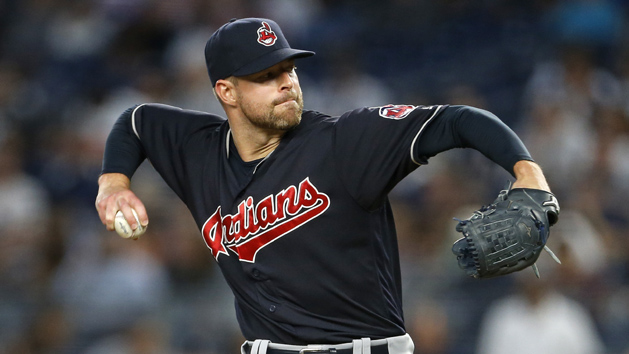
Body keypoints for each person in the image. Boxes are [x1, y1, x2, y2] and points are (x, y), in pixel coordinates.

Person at [95, 18, 554, 354]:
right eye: (265, 76)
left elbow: (459, 120)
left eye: (288, 69)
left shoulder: (344, 141)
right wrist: (113, 183)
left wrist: (527, 173)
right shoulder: (198, 151)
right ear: (226, 92)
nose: (286, 84)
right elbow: (135, 123)